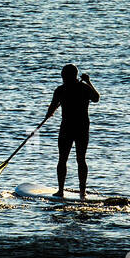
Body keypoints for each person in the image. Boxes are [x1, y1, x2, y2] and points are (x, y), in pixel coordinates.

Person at [43, 63, 100, 199]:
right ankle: (75, 191)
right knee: (74, 159)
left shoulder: (61, 90)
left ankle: (70, 191)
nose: (62, 77)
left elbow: (96, 99)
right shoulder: (83, 88)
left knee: (69, 159)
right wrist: (88, 82)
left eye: (63, 75)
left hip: (70, 127)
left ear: (68, 75)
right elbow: (96, 98)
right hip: (80, 127)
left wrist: (48, 114)